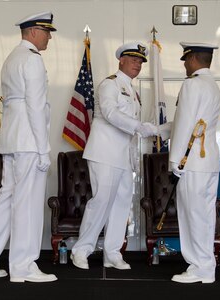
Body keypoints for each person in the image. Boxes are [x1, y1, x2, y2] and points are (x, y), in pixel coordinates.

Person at [0, 11, 58, 283]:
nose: (49, 38)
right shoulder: (31, 60)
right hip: (29, 141)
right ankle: (23, 266)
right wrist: (43, 148)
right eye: (46, 32)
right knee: (26, 203)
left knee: (6, 201)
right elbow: (34, 107)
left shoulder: (11, 58)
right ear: (32, 31)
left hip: (12, 140)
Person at [71, 42, 158, 270]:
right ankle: (81, 250)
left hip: (123, 157)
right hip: (104, 152)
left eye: (140, 62)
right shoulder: (109, 84)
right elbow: (110, 113)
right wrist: (139, 126)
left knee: (121, 204)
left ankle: (112, 252)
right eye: (133, 60)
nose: (137, 65)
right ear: (121, 60)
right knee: (100, 202)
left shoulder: (132, 90)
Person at [163, 42, 220, 283]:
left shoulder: (192, 84)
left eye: (186, 60)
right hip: (209, 162)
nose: (185, 65)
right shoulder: (213, 86)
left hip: (192, 163)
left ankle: (199, 266)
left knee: (192, 215)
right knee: (205, 216)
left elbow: (186, 124)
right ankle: (207, 267)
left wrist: (174, 160)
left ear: (194, 59)